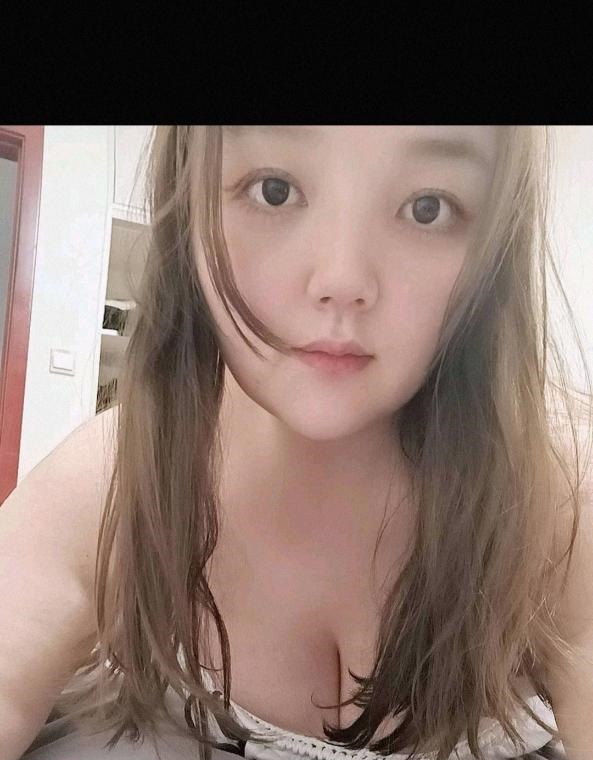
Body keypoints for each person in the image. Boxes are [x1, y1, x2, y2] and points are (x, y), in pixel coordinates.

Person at [4, 126, 590, 760]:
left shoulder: (561, 495)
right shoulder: (119, 478)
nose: (341, 279)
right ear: (190, 207)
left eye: (428, 207)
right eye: (275, 191)